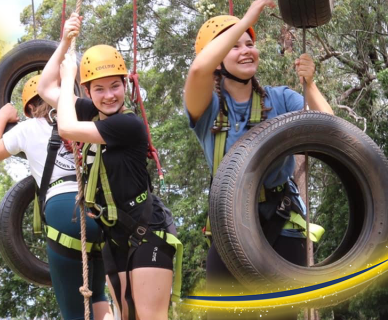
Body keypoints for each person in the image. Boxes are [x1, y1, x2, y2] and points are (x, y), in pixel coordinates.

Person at [184, 0, 334, 318]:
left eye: (250, 43)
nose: (246, 50)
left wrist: (310, 84)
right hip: (230, 228)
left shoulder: (279, 99)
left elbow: (332, 132)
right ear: (217, 59)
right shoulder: (207, 106)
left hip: (281, 224)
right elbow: (198, 68)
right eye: (234, 45)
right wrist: (250, 16)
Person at [36, 12, 176, 320]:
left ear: (125, 85)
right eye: (99, 89)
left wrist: (70, 77)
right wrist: (64, 43)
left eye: (115, 86)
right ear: (88, 93)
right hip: (116, 237)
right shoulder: (90, 112)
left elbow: (67, 129)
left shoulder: (128, 125)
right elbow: (46, 87)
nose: (109, 95)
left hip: (146, 230)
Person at [0, 75, 112, 320]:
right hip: (99, 213)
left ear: (29, 108)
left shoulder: (28, 128)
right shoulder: (84, 123)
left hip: (64, 213)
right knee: (99, 296)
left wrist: (2, 117)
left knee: (76, 312)